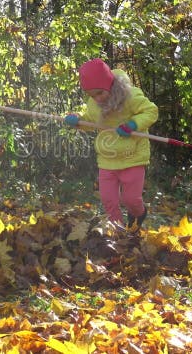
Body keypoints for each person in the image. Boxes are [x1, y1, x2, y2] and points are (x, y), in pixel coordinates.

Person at [64, 58, 158, 231]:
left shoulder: (130, 96)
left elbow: (151, 111)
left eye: (99, 93)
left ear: (109, 84)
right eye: (92, 95)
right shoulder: (94, 103)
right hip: (107, 159)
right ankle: (118, 232)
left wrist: (133, 124)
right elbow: (92, 122)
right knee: (109, 201)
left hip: (133, 157)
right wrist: (78, 121)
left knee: (131, 200)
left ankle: (139, 213)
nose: (97, 99)